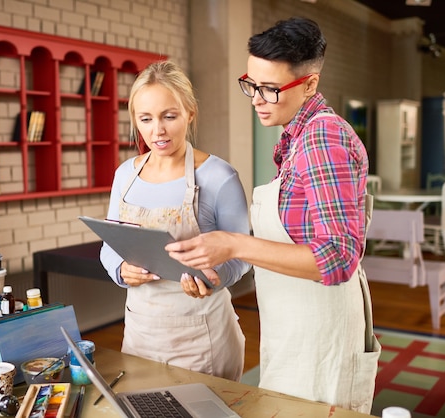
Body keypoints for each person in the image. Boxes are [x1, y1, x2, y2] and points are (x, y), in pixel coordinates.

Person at [165, 17, 380, 413]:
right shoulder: (295, 139)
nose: (256, 99)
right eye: (251, 84)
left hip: (322, 338)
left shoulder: (322, 137)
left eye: (270, 89)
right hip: (294, 329)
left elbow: (337, 258)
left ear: (310, 84)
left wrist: (233, 243)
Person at [99, 60, 251, 381]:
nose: (158, 130)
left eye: (170, 116)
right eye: (146, 119)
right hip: (140, 331)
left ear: (190, 113)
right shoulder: (125, 175)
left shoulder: (219, 176)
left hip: (202, 335)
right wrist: (120, 269)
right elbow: (110, 245)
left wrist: (213, 276)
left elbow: (242, 254)